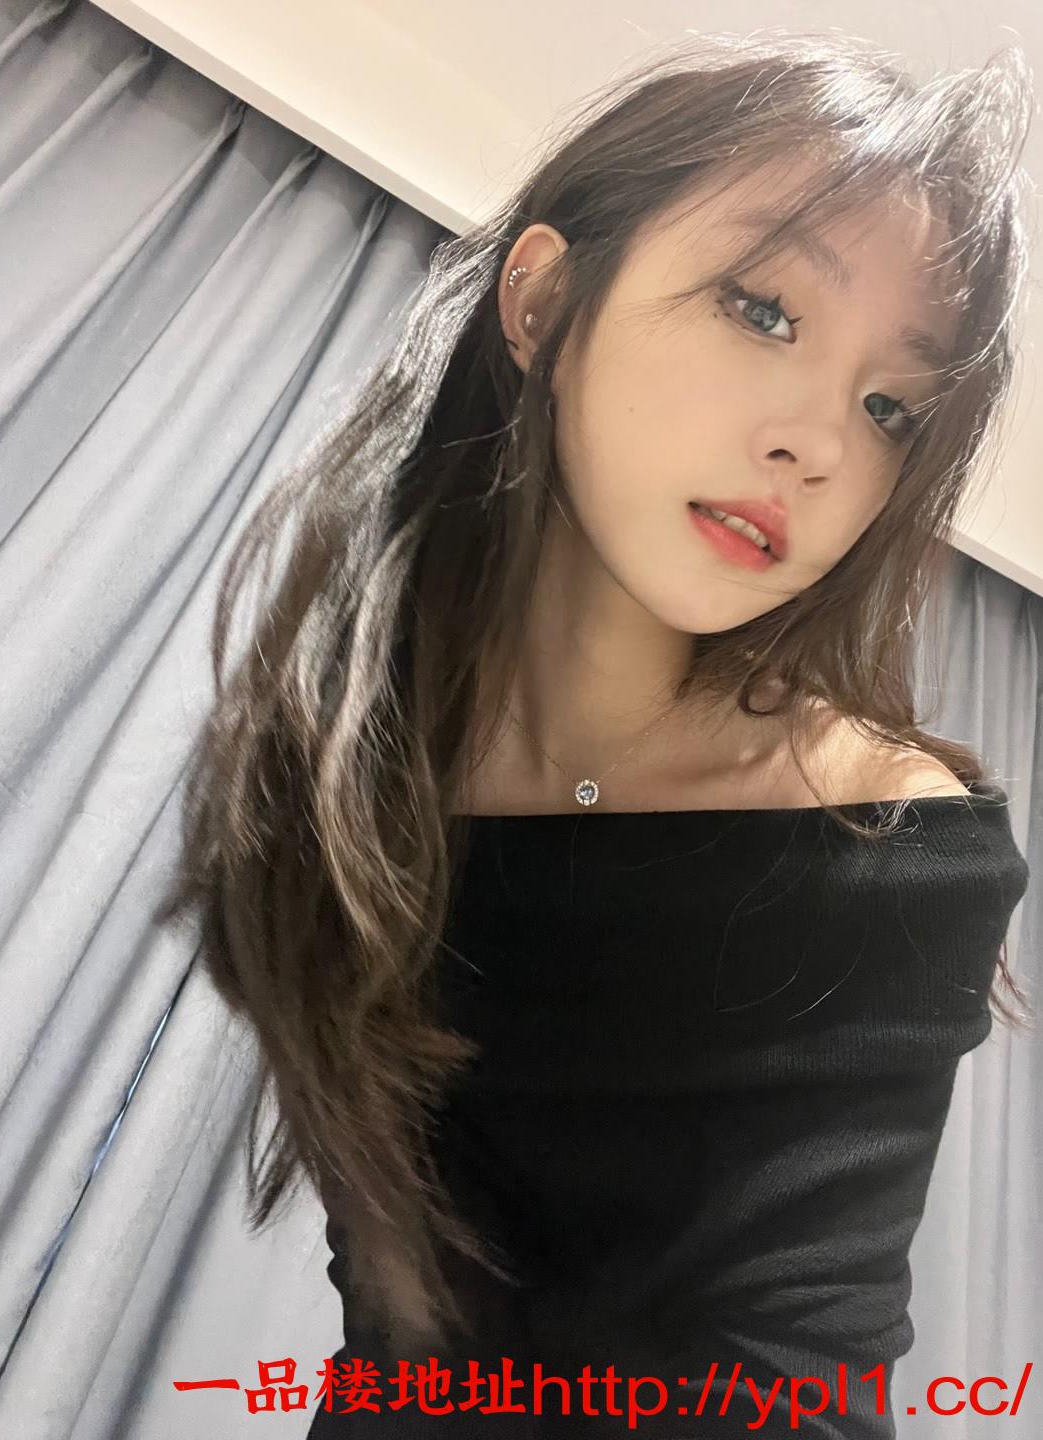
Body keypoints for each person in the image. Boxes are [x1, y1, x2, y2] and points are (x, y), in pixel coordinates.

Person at [155, 30, 1034, 1439]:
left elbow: (798, 1380)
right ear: (546, 303)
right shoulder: (347, 767)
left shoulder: (878, 837)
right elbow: (395, 1321)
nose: (820, 443)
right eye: (764, 309)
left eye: (891, 408)